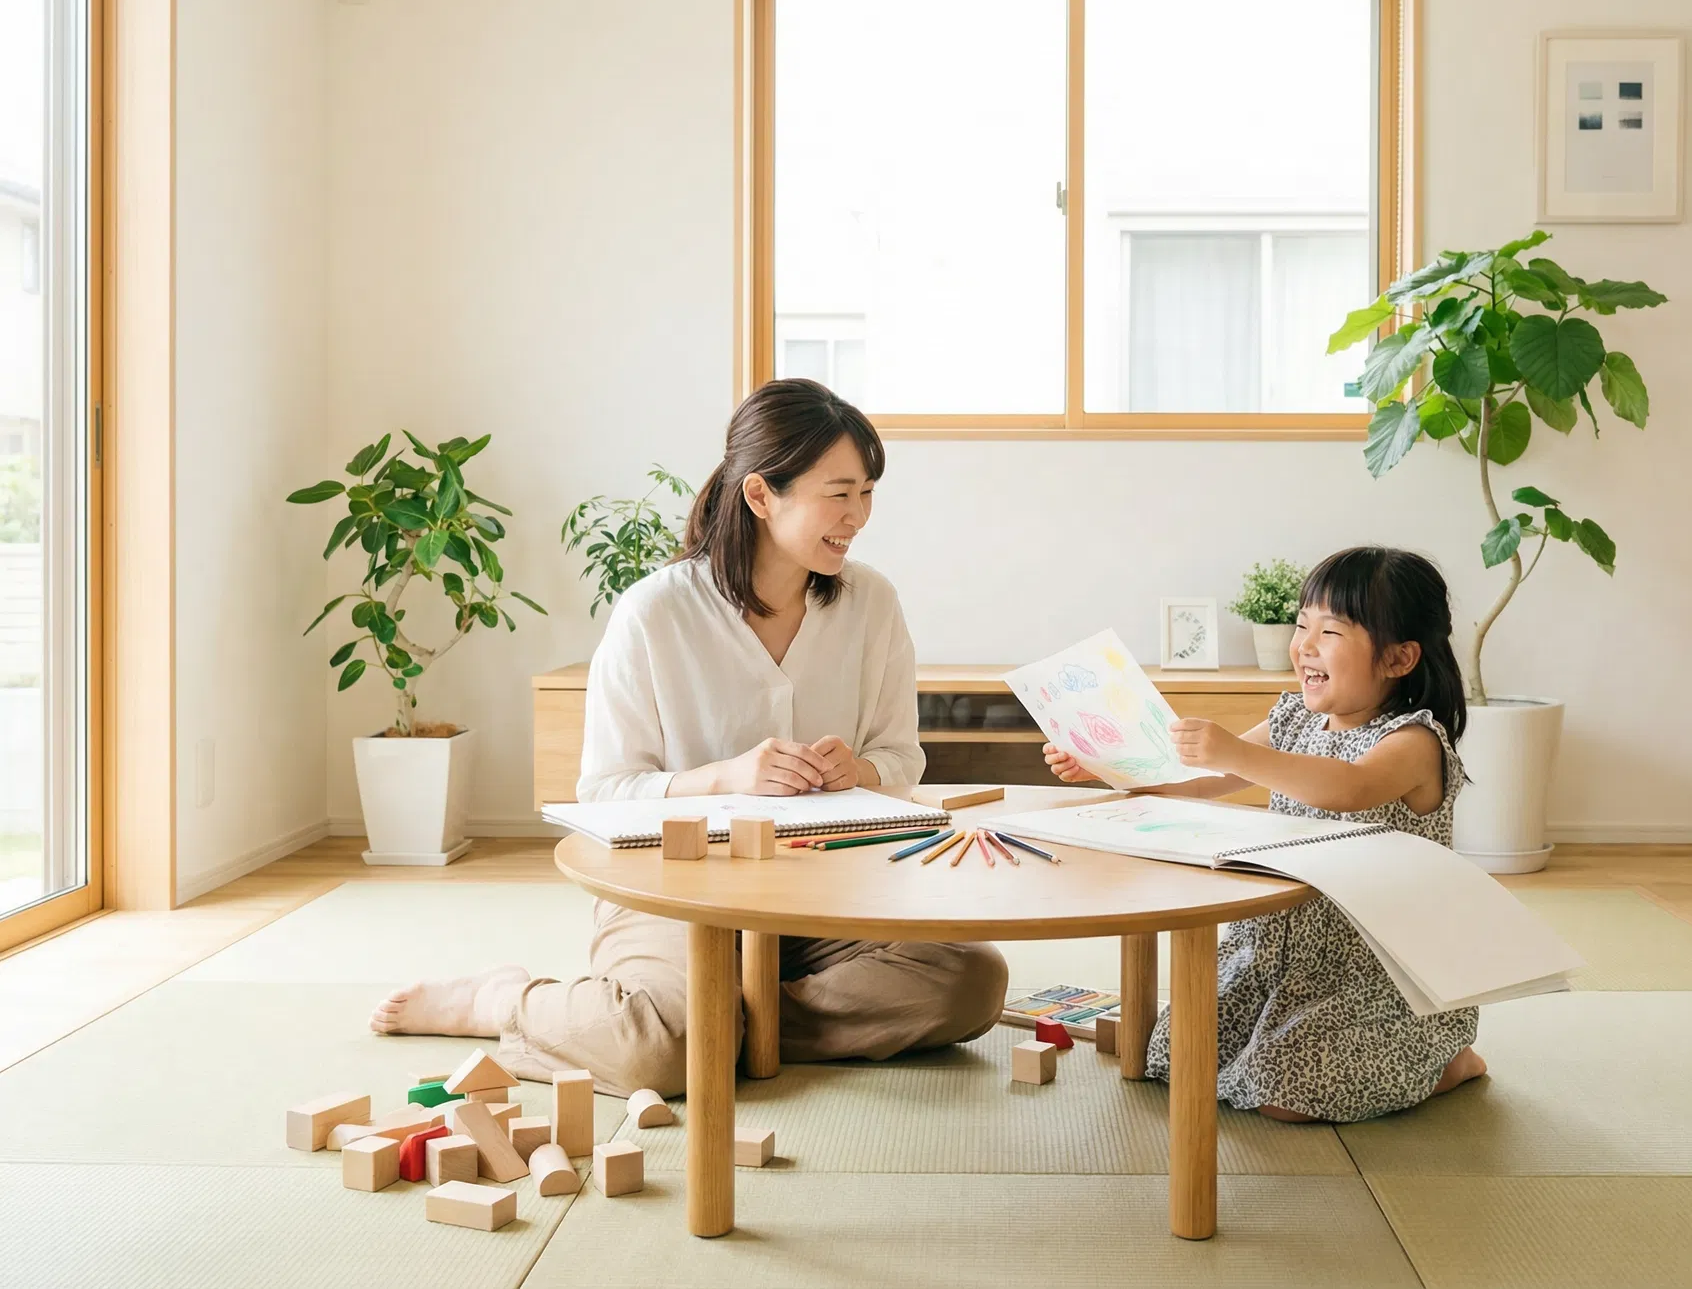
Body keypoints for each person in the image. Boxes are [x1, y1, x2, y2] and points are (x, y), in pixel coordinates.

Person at [369, 379, 1007, 1095]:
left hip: (829, 889)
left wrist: (856, 770)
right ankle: (505, 1002)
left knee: (971, 981)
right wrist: (725, 778)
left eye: (867, 493)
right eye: (839, 493)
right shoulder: (654, 613)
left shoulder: (872, 602)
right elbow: (604, 794)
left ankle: (723, 1023)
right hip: (677, 892)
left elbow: (901, 760)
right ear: (762, 496)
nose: (856, 516)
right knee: (657, 1053)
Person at [1045, 545, 1486, 1123]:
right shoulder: (1293, 718)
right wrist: (1109, 766)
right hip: (1273, 954)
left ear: (1399, 658)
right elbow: (1199, 781)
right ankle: (1278, 1044)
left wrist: (1236, 752)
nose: (1304, 645)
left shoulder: (1414, 742)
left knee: (1288, 1097)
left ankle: (1449, 1062)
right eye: (1303, 625)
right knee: (1174, 1054)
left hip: (1372, 976)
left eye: (1330, 631)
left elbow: (1347, 787)